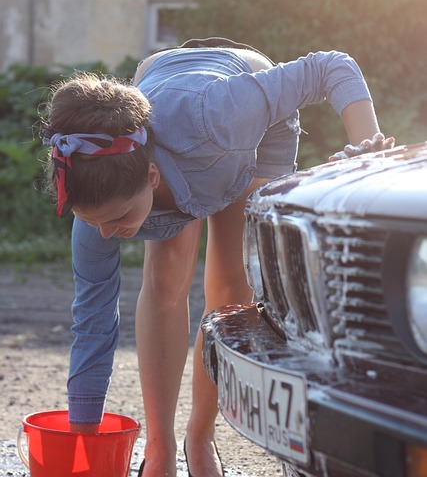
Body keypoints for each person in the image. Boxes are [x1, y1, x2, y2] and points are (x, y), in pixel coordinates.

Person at [41, 38, 395, 477]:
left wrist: (371, 159)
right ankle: (160, 447)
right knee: (166, 280)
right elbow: (92, 324)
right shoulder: (97, 208)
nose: (107, 233)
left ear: (150, 177)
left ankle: (200, 436)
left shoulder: (221, 114)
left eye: (118, 218)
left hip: (231, 128)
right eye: (95, 222)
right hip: (161, 95)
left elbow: (331, 67)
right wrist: (83, 441)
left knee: (230, 286)